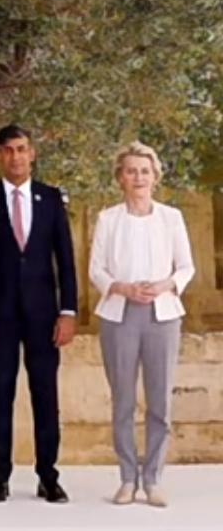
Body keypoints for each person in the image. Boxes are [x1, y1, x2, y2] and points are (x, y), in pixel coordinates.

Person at [0, 124, 77, 503]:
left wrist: (68, 310)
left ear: (32, 153)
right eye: (9, 150)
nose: (16, 156)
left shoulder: (51, 199)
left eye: (22, 149)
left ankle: (48, 476)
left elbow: (65, 260)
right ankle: (0, 476)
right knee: (0, 394)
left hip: (44, 316)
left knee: (45, 394)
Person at [88, 141, 194, 508]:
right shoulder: (108, 219)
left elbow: (186, 267)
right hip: (119, 316)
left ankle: (153, 479)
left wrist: (165, 285)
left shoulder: (171, 218)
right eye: (131, 171)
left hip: (162, 316)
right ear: (120, 177)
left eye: (145, 171)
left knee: (160, 401)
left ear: (155, 176)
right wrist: (122, 288)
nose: (138, 177)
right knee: (123, 401)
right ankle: (127, 478)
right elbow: (96, 269)